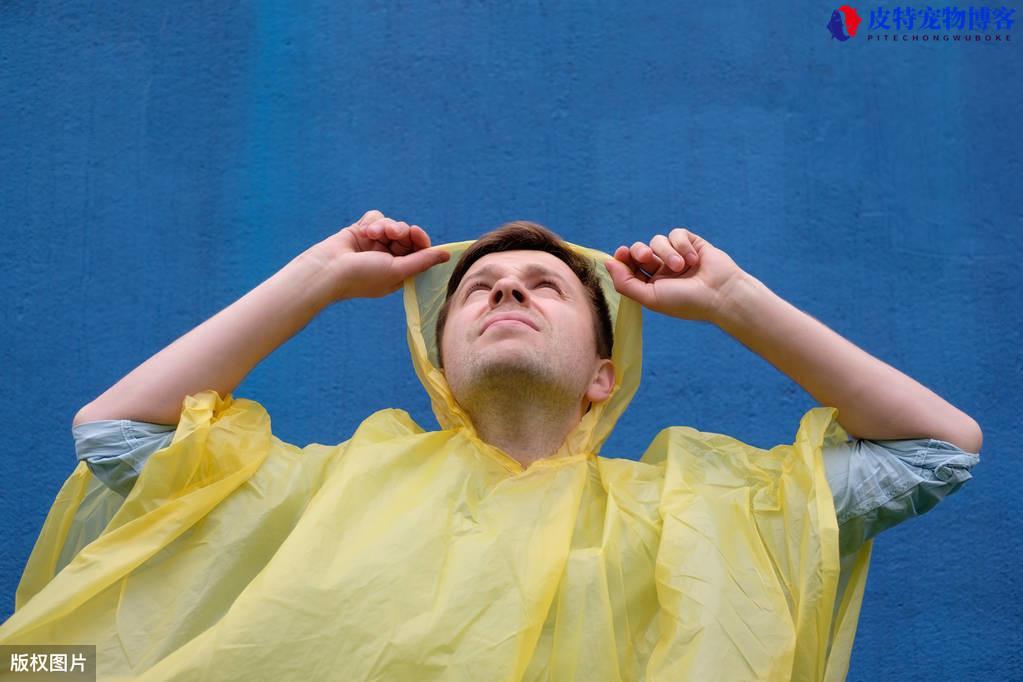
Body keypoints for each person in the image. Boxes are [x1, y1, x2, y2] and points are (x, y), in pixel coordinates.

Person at [1, 210, 981, 680]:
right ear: (441, 364)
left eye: (544, 287)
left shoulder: (710, 509)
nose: (508, 289)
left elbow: (940, 448)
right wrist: (315, 276)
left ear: (605, 373)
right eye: (479, 289)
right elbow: (116, 433)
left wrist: (732, 301)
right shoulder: (328, 489)